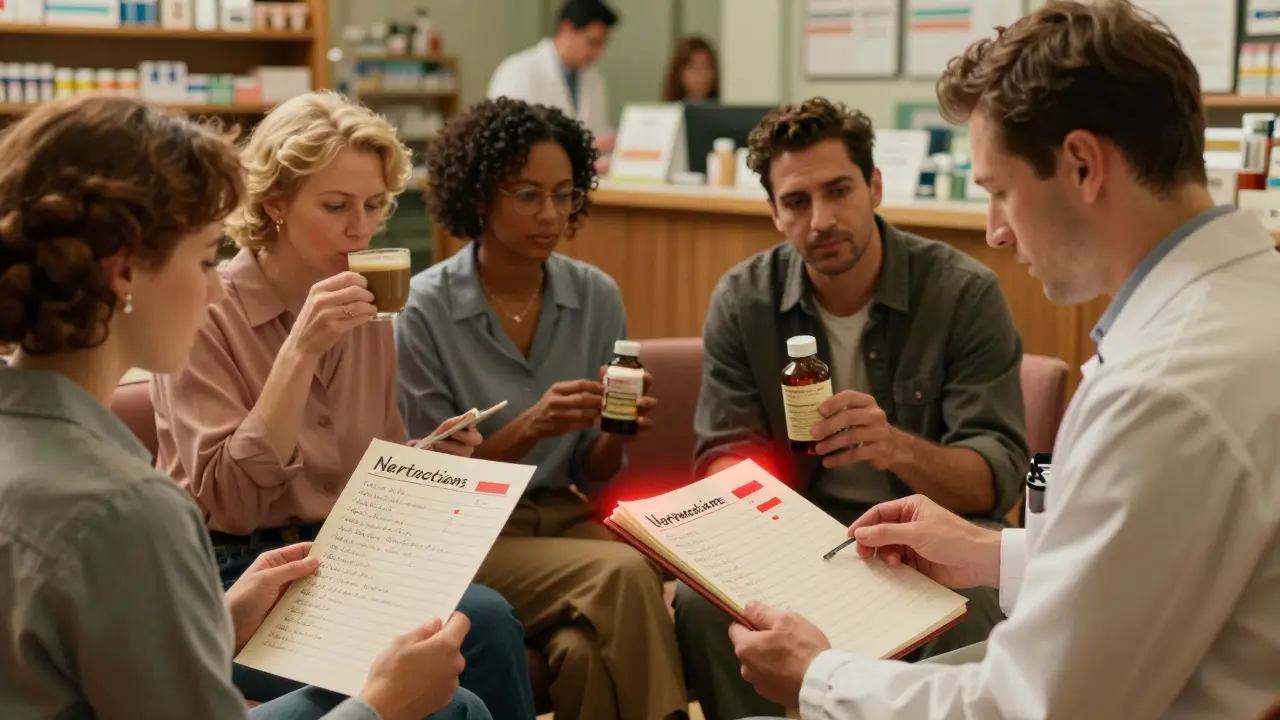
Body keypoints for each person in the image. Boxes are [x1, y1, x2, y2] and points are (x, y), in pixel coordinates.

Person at [727, 3, 1280, 718]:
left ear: (1082, 164)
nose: (993, 231)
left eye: (998, 190)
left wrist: (819, 678)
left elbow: (1031, 706)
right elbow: (1156, 562)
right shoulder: (1249, 299)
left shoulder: (1166, 386)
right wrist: (992, 554)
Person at [0, 94, 487, 720]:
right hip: (245, 552)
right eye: (205, 259)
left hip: (282, 569)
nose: (213, 289)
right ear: (124, 274)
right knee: (452, 707)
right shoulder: (126, 509)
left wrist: (222, 619)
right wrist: (380, 707)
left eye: (371, 206)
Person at [149, 91, 535, 719]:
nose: (361, 228)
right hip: (233, 579)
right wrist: (300, 351)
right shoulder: (206, 307)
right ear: (274, 204)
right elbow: (230, 500)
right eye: (336, 206)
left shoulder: (370, 309)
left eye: (375, 205)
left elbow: (366, 473)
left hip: (341, 561)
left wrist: (423, 458)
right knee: (443, 695)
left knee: (485, 618)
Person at [672, 96, 1028, 720]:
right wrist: (771, 523)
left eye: (839, 191)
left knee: (968, 600)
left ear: (875, 186)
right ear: (774, 213)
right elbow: (721, 460)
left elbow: (992, 478)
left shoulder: (963, 293)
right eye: (797, 202)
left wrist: (894, 446)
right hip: (798, 534)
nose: (822, 220)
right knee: (705, 605)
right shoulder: (743, 301)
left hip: (933, 534)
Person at [397, 97, 688, 720]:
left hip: (563, 517)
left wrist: (616, 432)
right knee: (624, 573)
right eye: (527, 195)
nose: (550, 214)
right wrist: (533, 426)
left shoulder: (595, 295)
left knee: (580, 654)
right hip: (470, 534)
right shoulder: (425, 310)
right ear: (480, 197)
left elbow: (592, 473)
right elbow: (432, 481)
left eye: (564, 194)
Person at [488, 0, 618, 153]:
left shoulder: (595, 80)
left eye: (603, 44)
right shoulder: (518, 71)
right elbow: (506, 140)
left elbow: (599, 133)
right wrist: (583, 148)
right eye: (593, 42)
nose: (598, 53)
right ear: (566, 28)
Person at [662, 36, 719, 103]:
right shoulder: (668, 111)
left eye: (706, 66)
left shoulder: (723, 111)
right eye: (694, 67)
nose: (702, 74)